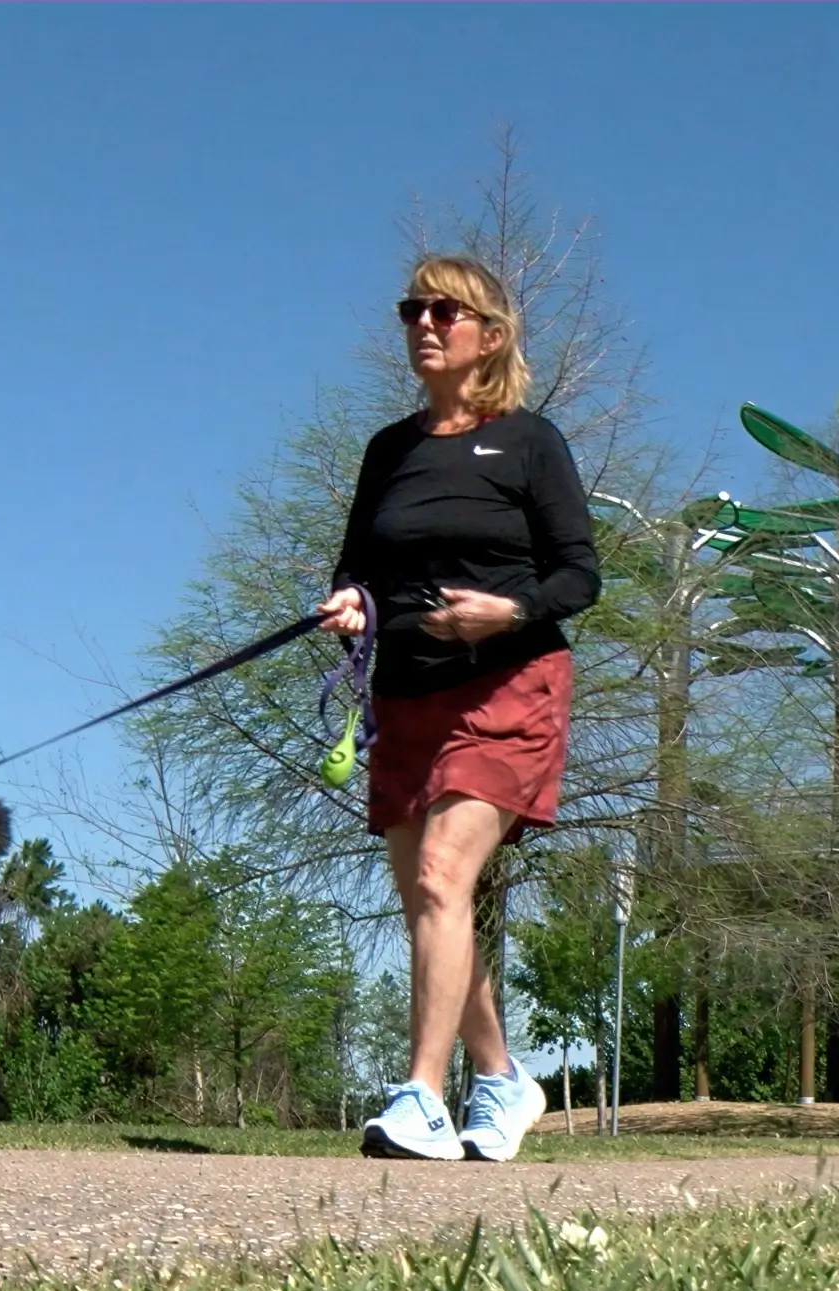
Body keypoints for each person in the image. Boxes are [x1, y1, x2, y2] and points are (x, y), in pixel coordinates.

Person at [322, 255, 599, 1162]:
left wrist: (508, 610)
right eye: (412, 309)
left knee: (442, 875)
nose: (424, 324)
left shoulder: (528, 441)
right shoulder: (388, 451)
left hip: (508, 685)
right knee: (429, 900)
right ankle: (505, 1078)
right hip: (405, 693)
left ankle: (422, 1099)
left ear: (490, 332)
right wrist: (352, 601)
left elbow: (579, 575)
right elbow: (356, 563)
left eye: (445, 310)